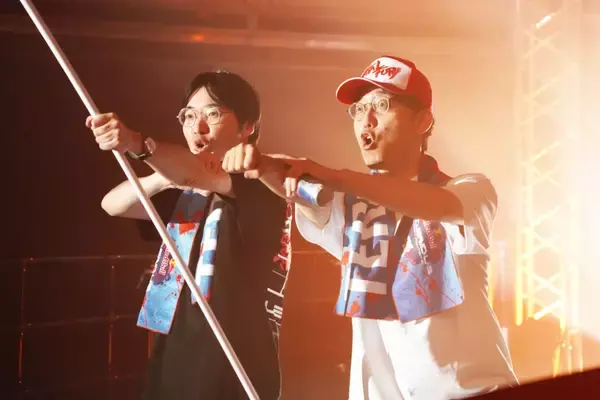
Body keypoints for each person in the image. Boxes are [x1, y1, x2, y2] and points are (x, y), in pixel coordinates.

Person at [228, 55, 519, 399]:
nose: (366, 119)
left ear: (423, 120)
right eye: (358, 109)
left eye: (382, 105)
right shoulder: (353, 211)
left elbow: (437, 206)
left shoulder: (469, 190)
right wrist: (261, 165)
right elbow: (299, 188)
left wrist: (331, 175)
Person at [86, 70, 290, 400]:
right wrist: (164, 177)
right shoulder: (186, 192)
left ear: (247, 127)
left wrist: (137, 144)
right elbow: (113, 204)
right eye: (189, 115)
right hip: (174, 349)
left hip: (232, 358)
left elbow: (197, 174)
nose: (198, 126)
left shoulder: (261, 182)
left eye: (213, 113)